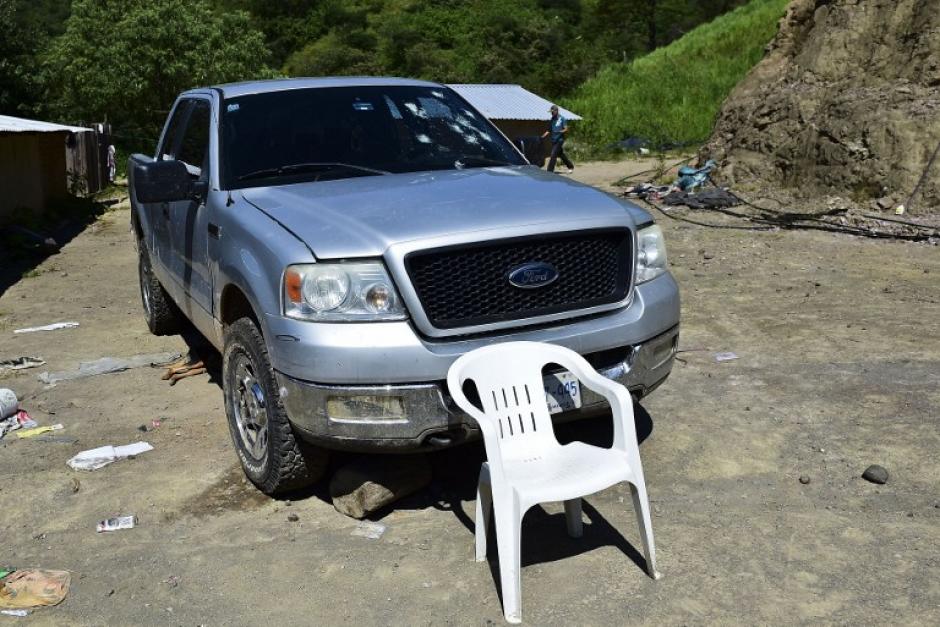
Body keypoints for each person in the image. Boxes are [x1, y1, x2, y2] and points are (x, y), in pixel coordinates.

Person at [542, 104, 574, 173]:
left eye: (552, 111)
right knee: (561, 154)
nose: (551, 113)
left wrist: (560, 132)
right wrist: (542, 136)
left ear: (556, 111)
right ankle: (570, 166)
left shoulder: (562, 118)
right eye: (551, 112)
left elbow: (566, 129)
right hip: (553, 140)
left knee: (553, 154)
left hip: (559, 140)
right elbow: (549, 130)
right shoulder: (552, 119)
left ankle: (549, 171)